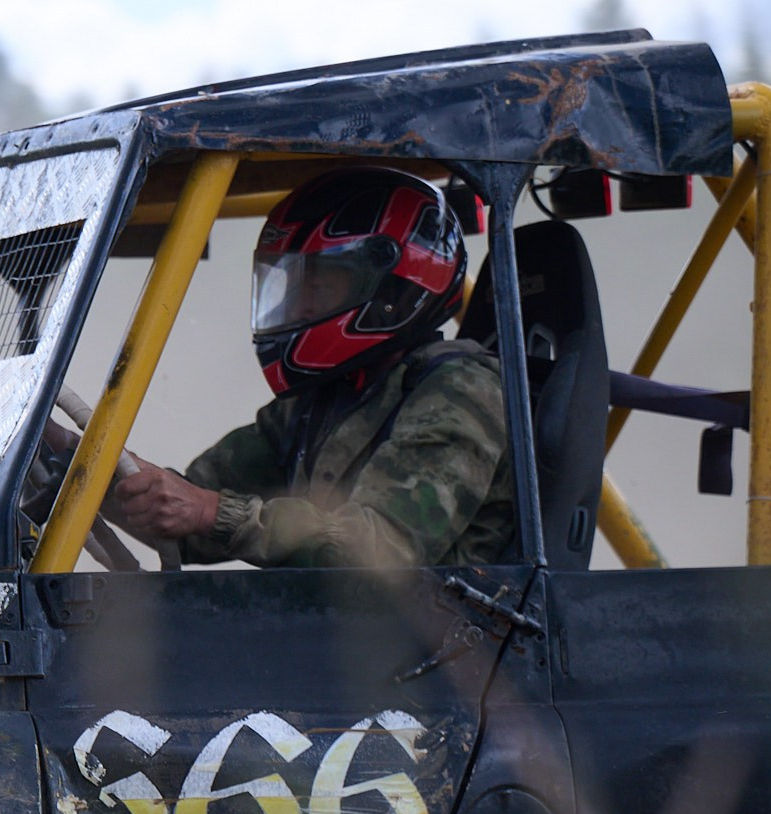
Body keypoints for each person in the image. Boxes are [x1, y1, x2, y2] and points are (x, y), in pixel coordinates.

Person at [99, 166, 519, 570]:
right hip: (332, 636)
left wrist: (209, 512)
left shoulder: (461, 392)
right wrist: (83, 470)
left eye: (319, 281)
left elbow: (375, 553)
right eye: (291, 283)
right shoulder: (322, 398)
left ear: (392, 288)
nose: (297, 303)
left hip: (441, 642)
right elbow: (187, 513)